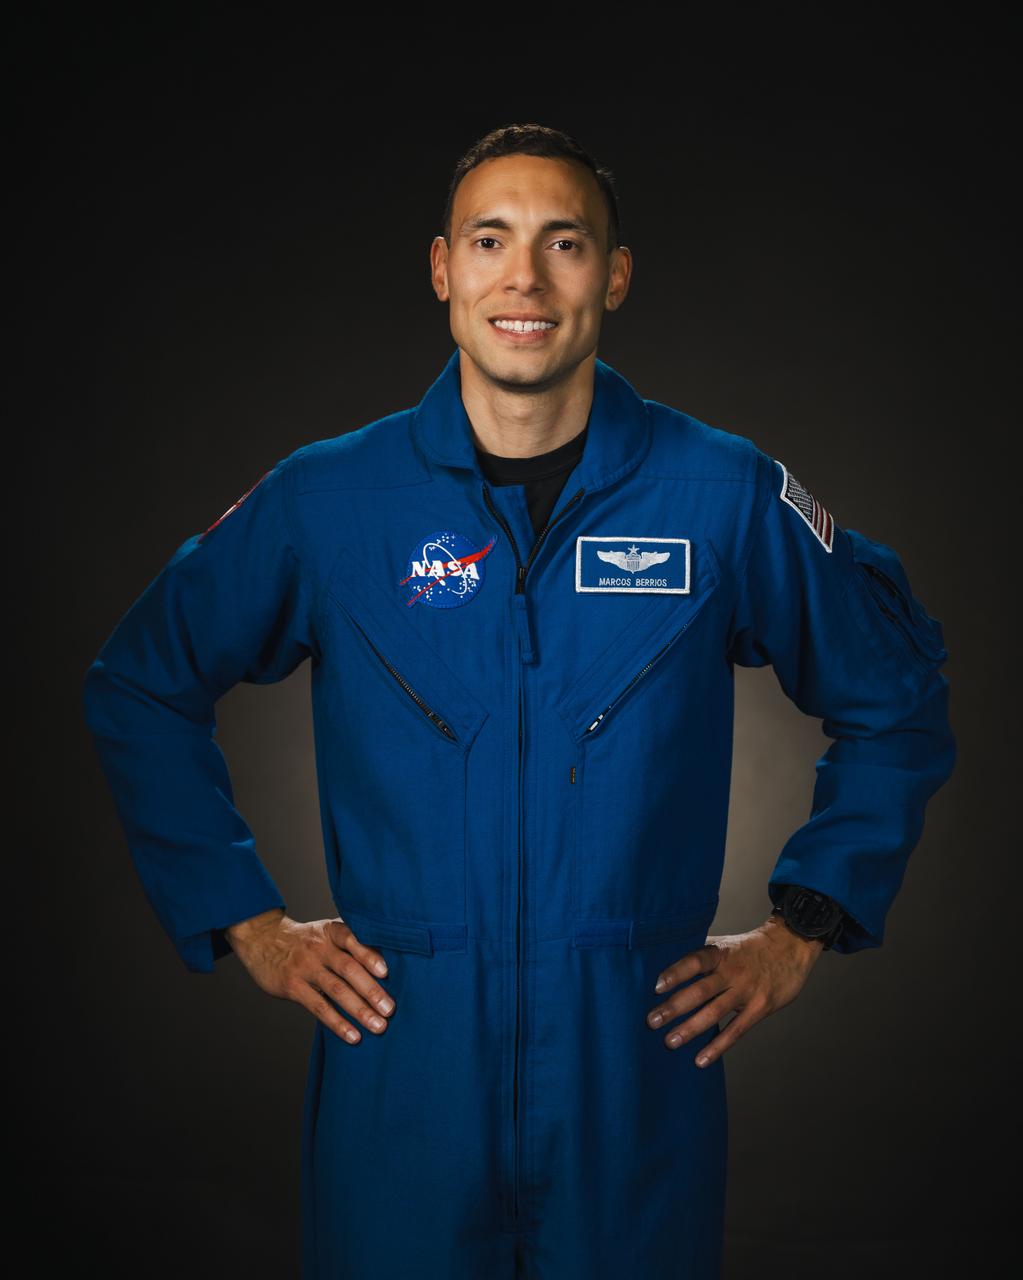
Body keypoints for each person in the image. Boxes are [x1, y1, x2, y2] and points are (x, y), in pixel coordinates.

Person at [82, 122, 956, 1279]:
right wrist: (244, 918)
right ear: (443, 270)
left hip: (633, 1075)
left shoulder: (723, 495)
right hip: (402, 1074)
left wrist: (803, 928)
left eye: (566, 243)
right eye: (491, 241)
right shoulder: (329, 500)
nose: (526, 280)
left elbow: (897, 692)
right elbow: (140, 681)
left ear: (617, 274)